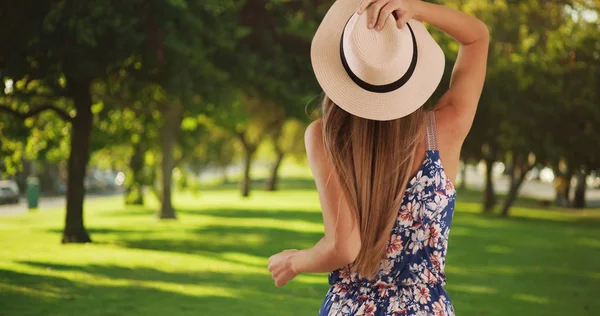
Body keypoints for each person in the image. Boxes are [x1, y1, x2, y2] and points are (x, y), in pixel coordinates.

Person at [268, 0, 488, 314]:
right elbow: (477, 37)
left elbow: (343, 246)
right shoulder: (445, 128)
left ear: (342, 65)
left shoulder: (324, 136)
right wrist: (415, 8)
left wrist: (295, 261)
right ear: (410, 65)